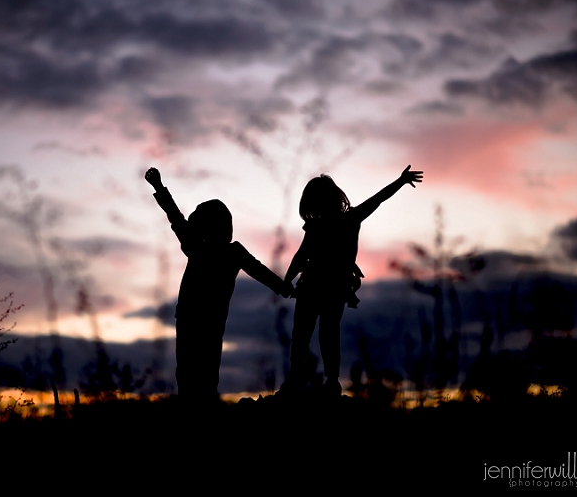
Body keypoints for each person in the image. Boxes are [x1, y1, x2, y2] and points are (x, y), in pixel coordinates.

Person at [145, 167, 291, 401]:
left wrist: (282, 287)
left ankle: (199, 411)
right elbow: (176, 218)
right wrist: (282, 287)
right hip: (197, 319)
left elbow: (258, 270)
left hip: (200, 320)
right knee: (195, 373)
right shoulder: (210, 248)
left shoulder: (208, 248)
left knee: (197, 373)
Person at [281, 165, 423, 396]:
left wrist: (400, 181)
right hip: (313, 286)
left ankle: (330, 380)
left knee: (322, 334)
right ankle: (302, 378)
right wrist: (287, 281)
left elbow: (378, 199)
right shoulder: (316, 227)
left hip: (332, 288)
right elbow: (301, 255)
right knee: (304, 335)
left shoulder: (349, 219)